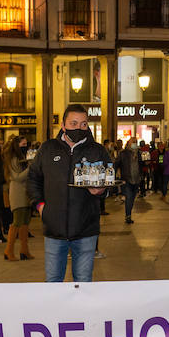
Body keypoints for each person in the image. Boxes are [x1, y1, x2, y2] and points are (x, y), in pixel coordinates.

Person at [28, 104, 112, 283]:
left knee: (83, 282)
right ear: (63, 125)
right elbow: (33, 179)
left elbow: (109, 181)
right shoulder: (48, 149)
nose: (79, 128)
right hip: (54, 229)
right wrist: (41, 206)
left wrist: (102, 190)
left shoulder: (97, 151)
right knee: (53, 281)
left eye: (83, 124)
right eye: (73, 123)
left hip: (85, 229)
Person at [3, 135, 34, 261]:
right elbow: (17, 177)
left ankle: (24, 250)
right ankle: (8, 251)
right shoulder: (13, 159)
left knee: (25, 222)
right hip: (17, 193)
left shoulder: (22, 158)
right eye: (23, 144)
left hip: (26, 193)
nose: (25, 146)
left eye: (26, 144)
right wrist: (30, 167)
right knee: (17, 222)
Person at [118, 136, 141, 224]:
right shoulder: (123, 153)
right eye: (133, 142)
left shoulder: (139, 153)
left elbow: (142, 164)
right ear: (129, 143)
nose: (134, 143)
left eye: (136, 142)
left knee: (132, 198)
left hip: (136, 179)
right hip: (127, 179)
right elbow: (117, 163)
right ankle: (128, 216)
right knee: (129, 197)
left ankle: (129, 214)